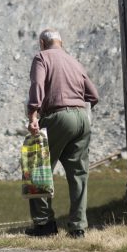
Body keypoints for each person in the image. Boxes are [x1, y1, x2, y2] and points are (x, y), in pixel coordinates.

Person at [25, 28, 99, 239]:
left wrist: (33, 116)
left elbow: (37, 85)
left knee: (38, 167)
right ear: (61, 42)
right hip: (81, 119)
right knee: (78, 174)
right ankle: (78, 228)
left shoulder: (41, 57)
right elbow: (93, 95)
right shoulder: (74, 61)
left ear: (42, 43)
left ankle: (44, 224)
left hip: (57, 117)